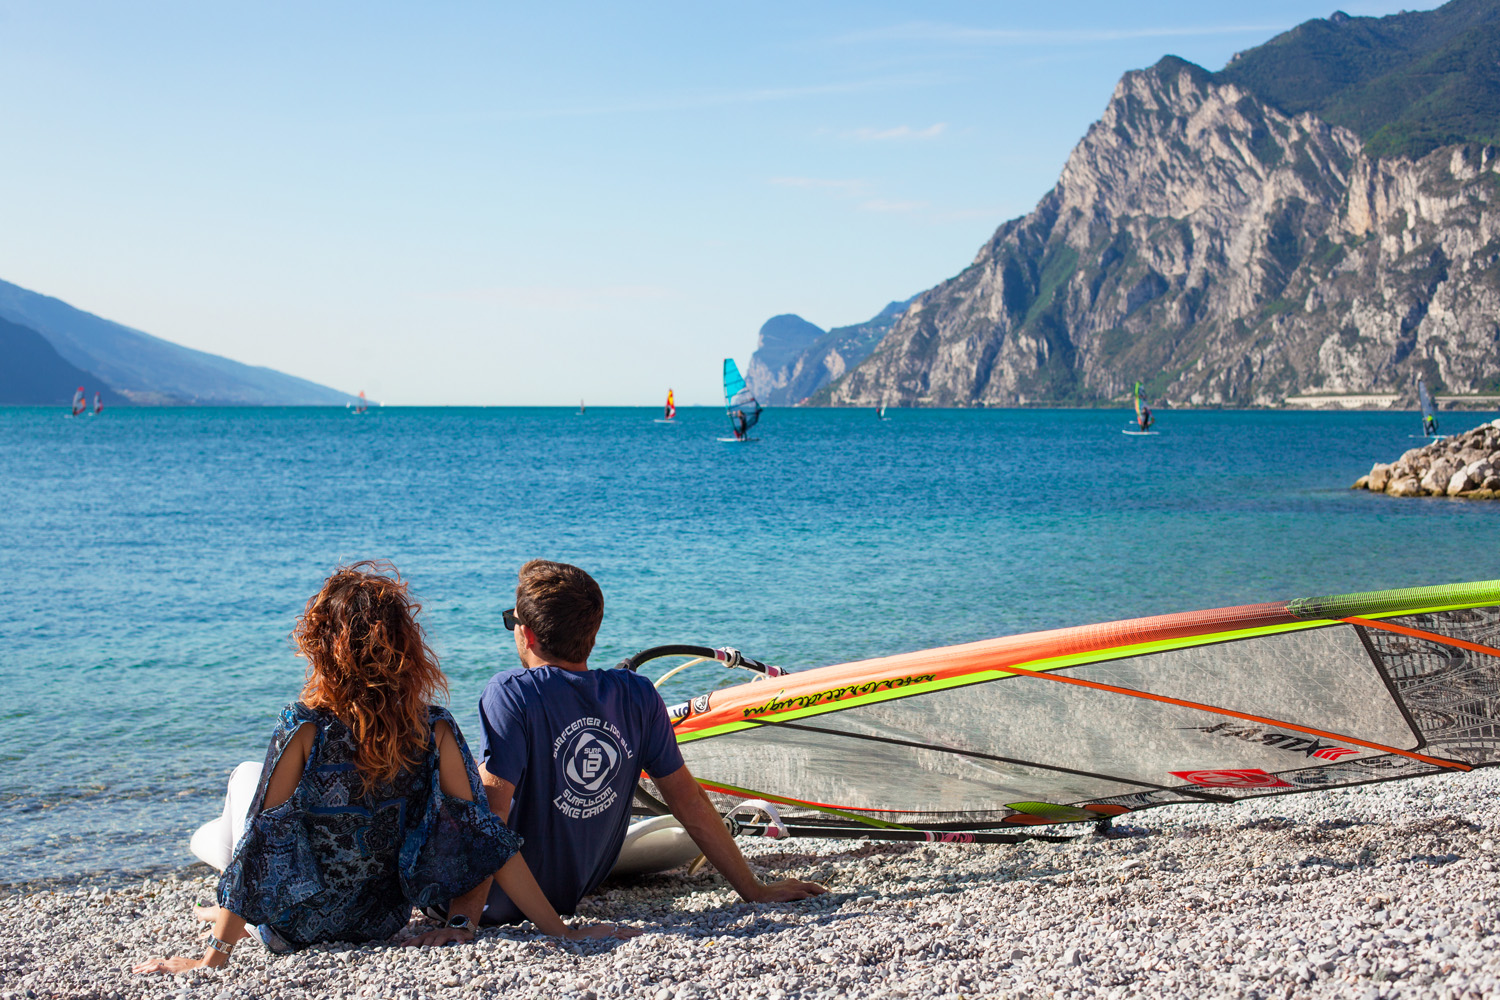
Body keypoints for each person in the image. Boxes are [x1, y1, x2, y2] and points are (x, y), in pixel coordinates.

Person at [135, 563, 624, 976]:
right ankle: (224, 911)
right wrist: (561, 931)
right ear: (405, 646)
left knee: (244, 783)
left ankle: (227, 919)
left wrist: (211, 960)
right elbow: (486, 837)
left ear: (321, 644)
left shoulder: (305, 726)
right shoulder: (434, 728)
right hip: (380, 919)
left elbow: (263, 843)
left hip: (294, 929)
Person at [446, 560, 824, 930]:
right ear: (591, 632)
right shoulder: (637, 694)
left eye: (511, 621)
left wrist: (463, 920)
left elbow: (489, 819)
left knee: (439, 752)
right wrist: (753, 889)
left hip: (495, 901)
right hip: (565, 895)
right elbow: (688, 800)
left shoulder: (511, 693)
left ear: (526, 634)